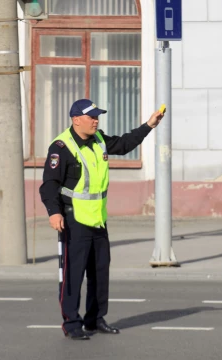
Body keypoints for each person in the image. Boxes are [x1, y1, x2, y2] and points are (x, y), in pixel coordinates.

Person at [40, 99, 164, 340]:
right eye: (91, 117)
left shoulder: (99, 140)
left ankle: (95, 320)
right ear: (76, 120)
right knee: (73, 275)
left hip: (97, 219)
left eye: (97, 116)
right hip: (73, 219)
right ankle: (72, 323)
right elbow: (49, 185)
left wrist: (149, 125)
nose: (96, 120)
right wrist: (53, 212)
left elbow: (124, 144)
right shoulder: (61, 147)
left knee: (99, 273)